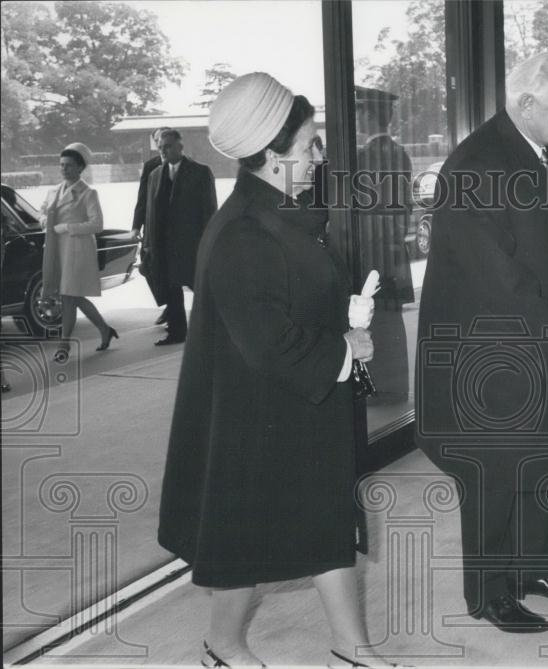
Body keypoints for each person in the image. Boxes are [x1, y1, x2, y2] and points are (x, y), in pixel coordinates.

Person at [157, 72, 386, 668]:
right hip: (257, 414)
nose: (319, 155)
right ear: (270, 155)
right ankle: (222, 644)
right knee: (244, 540)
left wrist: (343, 318)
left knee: (326, 519)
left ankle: (351, 644)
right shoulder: (242, 232)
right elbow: (267, 341)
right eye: (310, 144)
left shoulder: (275, 213)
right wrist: (346, 351)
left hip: (297, 404)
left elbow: (290, 303)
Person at [415, 50, 548, 633]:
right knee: (493, 474)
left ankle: (530, 570)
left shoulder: (534, 154)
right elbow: (498, 280)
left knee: (533, 466)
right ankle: (488, 594)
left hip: (530, 345)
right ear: (527, 102)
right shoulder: (478, 164)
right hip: (489, 355)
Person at [355, 85, 414, 404]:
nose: (358, 117)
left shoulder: (364, 157)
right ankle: (393, 388)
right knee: (389, 320)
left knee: (373, 320)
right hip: (391, 252)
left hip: (370, 252)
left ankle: (379, 391)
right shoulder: (399, 153)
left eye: (361, 111)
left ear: (369, 115)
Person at [134, 128, 217, 346]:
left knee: (200, 288)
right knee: (171, 288)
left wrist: (209, 242)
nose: (163, 151)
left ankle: (214, 330)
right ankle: (177, 332)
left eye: (168, 146)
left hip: (191, 242)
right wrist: (148, 245)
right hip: (163, 244)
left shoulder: (200, 172)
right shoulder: (155, 175)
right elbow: (151, 212)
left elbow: (209, 210)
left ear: (180, 146)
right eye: (160, 148)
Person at [40, 142, 118, 358]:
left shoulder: (88, 194)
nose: (64, 169)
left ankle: (64, 346)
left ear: (80, 168)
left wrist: (66, 227)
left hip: (77, 251)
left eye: (69, 165)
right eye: (62, 165)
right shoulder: (53, 191)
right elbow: (42, 213)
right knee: (72, 297)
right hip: (56, 250)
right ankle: (104, 329)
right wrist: (44, 221)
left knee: (68, 297)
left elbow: (97, 225)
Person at [132, 126, 171, 326]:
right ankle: (168, 304)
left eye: (163, 140)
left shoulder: (183, 164)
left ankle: (174, 308)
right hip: (152, 224)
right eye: (157, 141)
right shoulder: (151, 166)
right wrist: (136, 227)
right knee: (147, 267)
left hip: (173, 226)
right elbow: (142, 197)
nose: (159, 144)